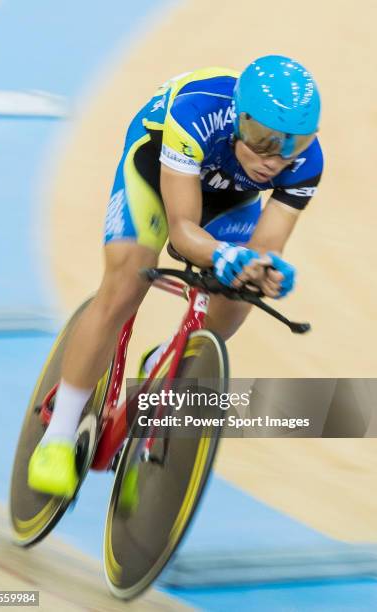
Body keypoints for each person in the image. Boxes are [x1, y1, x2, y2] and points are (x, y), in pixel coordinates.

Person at [28, 54, 323, 498]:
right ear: (241, 119)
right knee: (127, 281)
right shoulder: (198, 111)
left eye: (293, 144)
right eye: (263, 139)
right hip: (156, 171)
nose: (275, 159)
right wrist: (224, 254)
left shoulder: (305, 163)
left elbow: (266, 247)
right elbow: (183, 233)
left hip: (229, 197)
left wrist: (265, 270)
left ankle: (165, 359)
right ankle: (58, 435)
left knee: (241, 293)